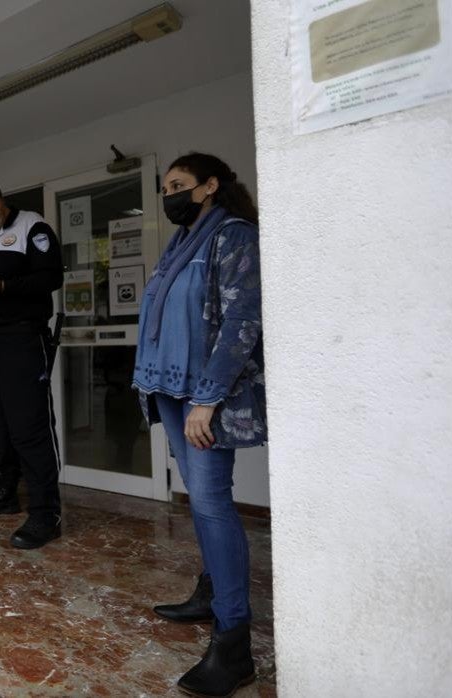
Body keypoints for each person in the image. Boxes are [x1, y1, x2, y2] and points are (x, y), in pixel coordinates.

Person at [132, 152, 265, 697]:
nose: (170, 195)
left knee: (212, 504)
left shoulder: (232, 236)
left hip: (202, 395)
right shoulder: (181, 241)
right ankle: (211, 591)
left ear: (210, 187)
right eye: (166, 186)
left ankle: (234, 645)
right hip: (168, 387)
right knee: (201, 503)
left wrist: (207, 401)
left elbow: (242, 320)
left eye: (179, 185)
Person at [0, 176, 65, 550]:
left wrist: (3, 287)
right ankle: (5, 492)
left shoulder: (33, 227)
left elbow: (51, 277)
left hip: (22, 337)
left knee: (29, 424)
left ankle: (45, 512)